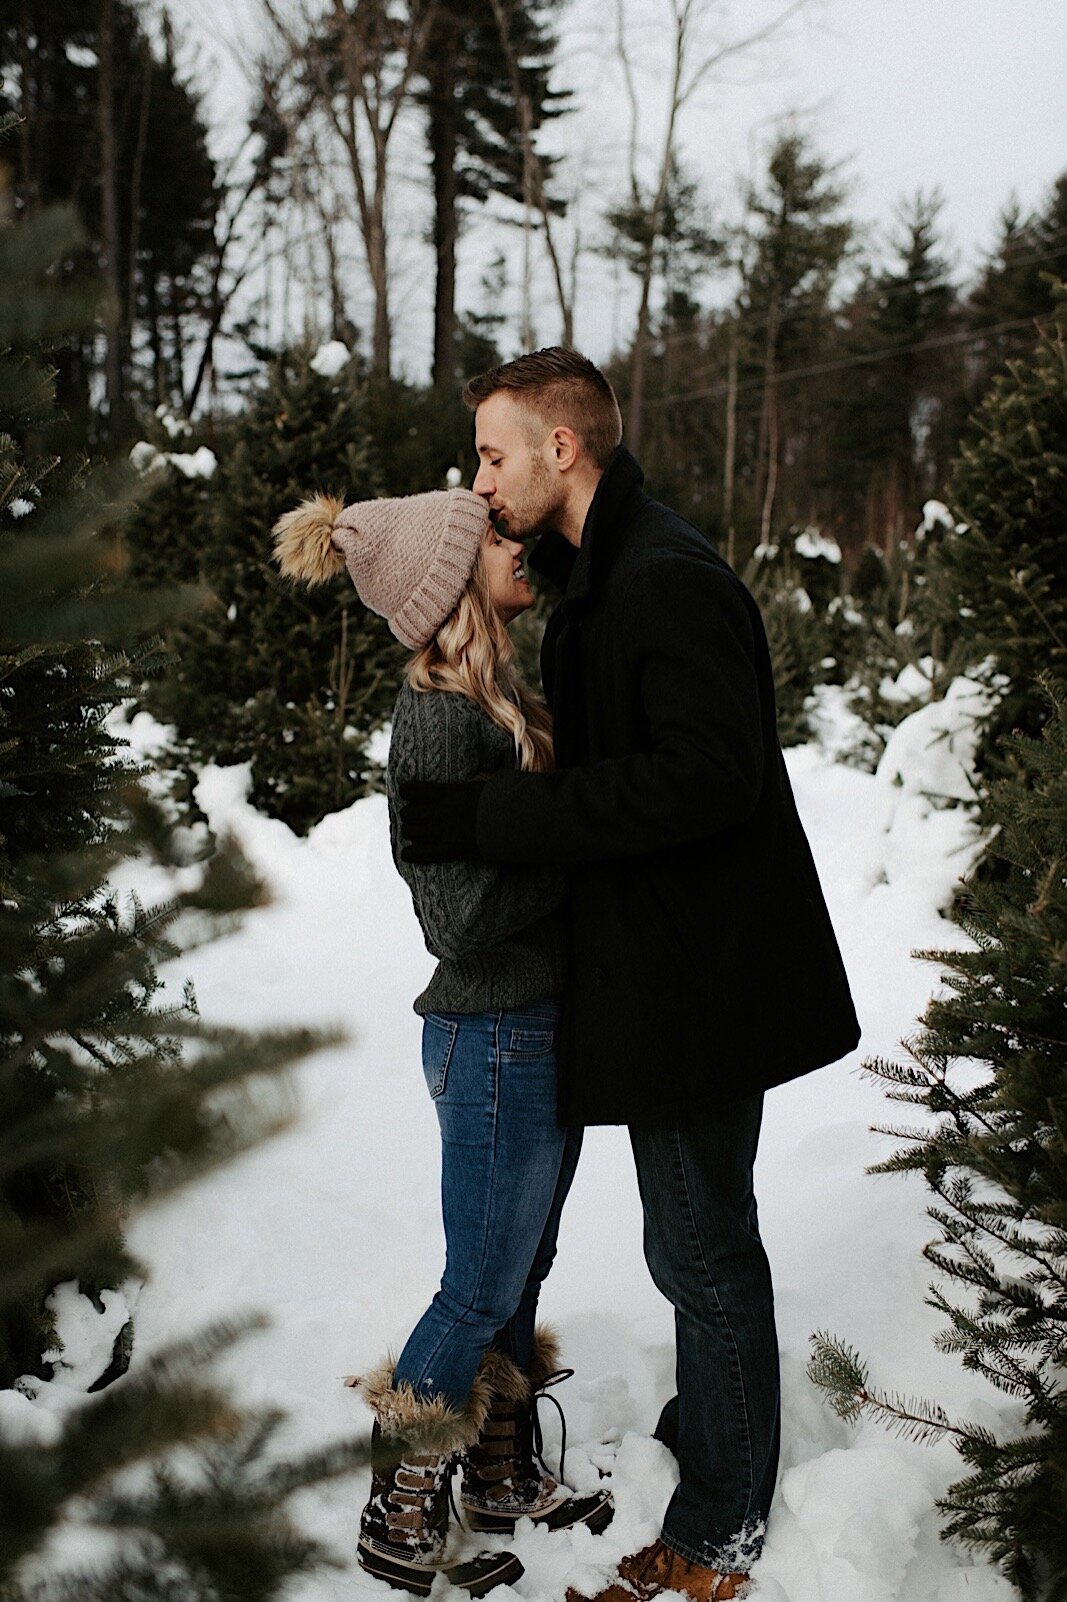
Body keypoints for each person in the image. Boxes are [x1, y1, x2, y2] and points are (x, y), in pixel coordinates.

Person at [398, 348, 862, 1602]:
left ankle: (717, 1536)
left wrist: (491, 822)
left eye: (495, 455)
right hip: (662, 980)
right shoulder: (605, 568)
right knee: (687, 1246)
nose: (482, 482)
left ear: (564, 448)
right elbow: (445, 567)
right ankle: (716, 1447)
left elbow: (704, 779)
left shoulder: (664, 580)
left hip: (704, 984)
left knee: (705, 1253)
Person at [272, 486, 613, 1597]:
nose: (520, 546)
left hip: (537, 1028)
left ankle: (500, 1473)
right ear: (452, 579)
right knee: (474, 1285)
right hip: (490, 1037)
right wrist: (571, 852)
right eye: (496, 542)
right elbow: (453, 922)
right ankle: (403, 1494)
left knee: (519, 1274)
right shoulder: (435, 716)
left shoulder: (500, 690)